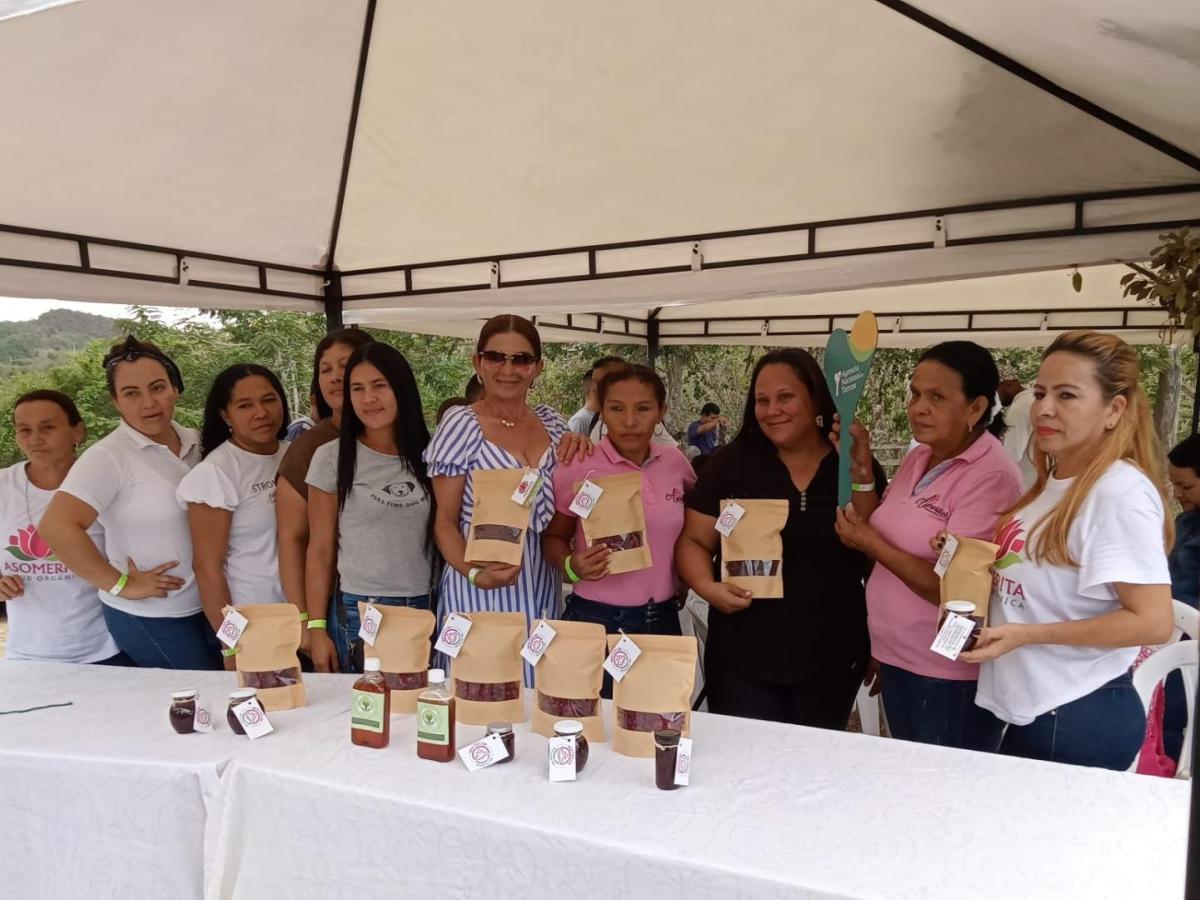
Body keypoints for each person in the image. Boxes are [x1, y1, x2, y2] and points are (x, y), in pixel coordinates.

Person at [968, 331, 1174, 771]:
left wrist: (1027, 635)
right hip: (1037, 708)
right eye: (1041, 392)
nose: (1043, 408)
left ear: (1113, 410)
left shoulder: (1118, 492)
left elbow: (1153, 622)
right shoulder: (1055, 483)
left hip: (1076, 713)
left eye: (1067, 395)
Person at [676, 349, 885, 729]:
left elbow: (876, 555)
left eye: (785, 397)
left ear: (816, 400)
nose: (772, 410)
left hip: (832, 657)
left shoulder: (852, 466)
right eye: (762, 400)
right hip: (742, 660)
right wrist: (708, 588)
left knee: (815, 761)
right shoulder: (729, 465)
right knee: (747, 761)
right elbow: (694, 540)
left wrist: (883, 638)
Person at [833, 341, 1021, 751]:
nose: (918, 408)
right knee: (910, 778)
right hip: (897, 656)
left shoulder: (991, 476)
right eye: (915, 394)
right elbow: (882, 527)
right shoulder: (921, 457)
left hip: (947, 674)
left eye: (937, 397)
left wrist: (868, 542)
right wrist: (862, 472)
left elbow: (952, 590)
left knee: (945, 785)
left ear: (975, 408)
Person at [425, 315, 588, 683]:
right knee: (481, 695)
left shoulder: (553, 424)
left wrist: (584, 446)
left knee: (539, 694)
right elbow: (445, 524)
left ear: (538, 367)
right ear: (478, 363)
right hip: (478, 592)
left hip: (540, 588)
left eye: (521, 359)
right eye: (496, 357)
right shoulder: (460, 425)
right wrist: (475, 573)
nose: (508, 369)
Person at [40, 336, 217, 669]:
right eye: (131, 393)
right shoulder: (109, 456)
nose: (148, 403)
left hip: (207, 606)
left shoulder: (197, 442)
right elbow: (56, 526)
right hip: (151, 617)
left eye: (157, 387)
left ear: (175, 388)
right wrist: (120, 584)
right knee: (204, 695)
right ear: (116, 402)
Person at [305, 343, 437, 672]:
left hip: (427, 605)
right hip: (361, 610)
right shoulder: (330, 458)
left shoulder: (432, 454)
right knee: (370, 701)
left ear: (401, 388)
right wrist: (316, 628)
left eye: (379, 386)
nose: (368, 399)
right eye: (357, 389)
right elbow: (320, 550)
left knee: (418, 697)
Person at [544, 364, 696, 645]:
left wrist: (688, 576)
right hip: (595, 618)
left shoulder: (675, 463)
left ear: (661, 411)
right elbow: (553, 536)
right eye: (616, 408)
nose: (629, 421)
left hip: (662, 617)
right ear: (601, 410)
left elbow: (695, 532)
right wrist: (571, 566)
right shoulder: (579, 464)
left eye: (643, 408)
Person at [175, 365, 290, 669]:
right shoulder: (217, 472)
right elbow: (207, 567)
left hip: (302, 616)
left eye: (269, 400)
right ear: (225, 415)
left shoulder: (294, 454)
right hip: (254, 622)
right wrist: (232, 645)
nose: (261, 412)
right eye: (245, 405)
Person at [274, 328, 374, 671]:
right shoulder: (310, 448)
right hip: (339, 610)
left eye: (344, 366)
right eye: (325, 369)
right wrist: (307, 622)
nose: (334, 377)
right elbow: (293, 540)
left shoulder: (401, 440)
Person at [0, 391, 124, 664]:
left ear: (77, 431)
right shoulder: (3, 486)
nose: (35, 439)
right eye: (24, 430)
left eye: (48, 427)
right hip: (25, 656)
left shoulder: (106, 484)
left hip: (105, 652)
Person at [585, 356, 678, 447]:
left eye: (643, 408)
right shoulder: (598, 417)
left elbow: (676, 453)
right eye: (616, 408)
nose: (593, 388)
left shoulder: (648, 424)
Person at [1000, 377, 1036, 488]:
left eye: (996, 392)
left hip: (1030, 481)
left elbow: (1012, 453)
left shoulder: (1019, 407)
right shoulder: (1036, 399)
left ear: (1008, 384)